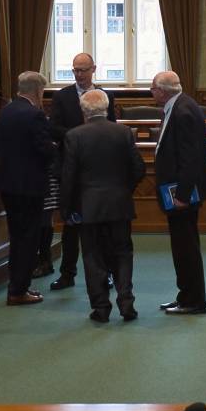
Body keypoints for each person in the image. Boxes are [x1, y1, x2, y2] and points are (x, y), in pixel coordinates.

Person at [61, 89, 145, 323]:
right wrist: (124, 189)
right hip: (119, 205)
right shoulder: (123, 132)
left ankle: (101, 308)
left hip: (89, 207)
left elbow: (68, 177)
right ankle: (126, 303)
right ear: (107, 109)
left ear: (83, 111)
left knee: (93, 256)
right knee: (123, 253)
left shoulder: (74, 136)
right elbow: (139, 169)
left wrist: (66, 209)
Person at [46, 52, 118, 291]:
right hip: (71, 169)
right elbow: (53, 128)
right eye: (75, 70)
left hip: (99, 170)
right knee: (70, 226)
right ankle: (67, 274)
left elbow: (112, 127)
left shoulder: (106, 96)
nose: (79, 75)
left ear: (93, 69)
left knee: (103, 226)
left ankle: (106, 273)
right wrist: (79, 135)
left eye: (83, 70)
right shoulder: (62, 96)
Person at [151, 71, 206, 315]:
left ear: (162, 91)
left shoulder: (183, 110)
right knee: (182, 247)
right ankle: (186, 296)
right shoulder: (179, 105)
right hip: (179, 191)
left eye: (153, 88)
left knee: (186, 248)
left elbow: (191, 158)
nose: (151, 92)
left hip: (182, 194)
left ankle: (194, 301)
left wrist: (182, 195)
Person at [0, 70, 55, 306]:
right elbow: (44, 149)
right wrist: (54, 148)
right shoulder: (35, 115)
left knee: (16, 237)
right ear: (38, 91)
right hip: (29, 186)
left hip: (8, 185)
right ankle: (19, 290)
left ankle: (16, 286)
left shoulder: (6, 111)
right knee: (28, 239)